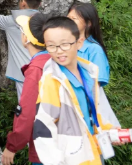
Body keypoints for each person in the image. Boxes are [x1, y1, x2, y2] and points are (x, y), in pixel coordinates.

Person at [33, 17, 118, 165]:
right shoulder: (52, 80)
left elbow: (98, 111)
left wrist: (112, 132)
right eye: (51, 46)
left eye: (65, 44)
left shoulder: (89, 73)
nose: (59, 51)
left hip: (93, 152)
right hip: (71, 159)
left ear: (79, 42)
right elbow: (43, 126)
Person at [1, 14, 51, 165]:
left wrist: (12, 146)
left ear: (26, 38)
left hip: (46, 147)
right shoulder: (57, 61)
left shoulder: (36, 69)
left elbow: (27, 111)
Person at [67, 2, 110, 86]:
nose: (69, 21)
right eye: (68, 18)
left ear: (88, 23)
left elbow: (96, 85)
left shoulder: (94, 49)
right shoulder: (63, 44)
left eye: (74, 18)